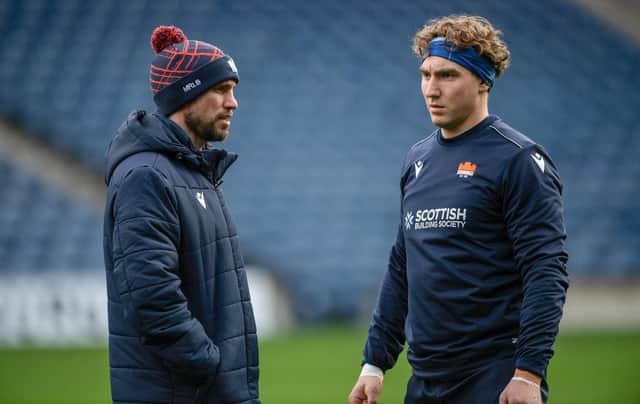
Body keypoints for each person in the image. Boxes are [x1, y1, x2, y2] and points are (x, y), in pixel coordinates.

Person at [348, 15, 569, 404]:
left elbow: (545, 269)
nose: (431, 89)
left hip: (493, 377)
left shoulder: (518, 159)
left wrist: (529, 373)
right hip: (426, 378)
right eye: (426, 74)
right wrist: (374, 364)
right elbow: (403, 265)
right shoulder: (417, 159)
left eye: (447, 75)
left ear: (483, 81)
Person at [103, 26, 259, 404]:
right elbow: (151, 297)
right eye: (221, 90)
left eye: (233, 90)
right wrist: (209, 364)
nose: (233, 102)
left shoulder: (193, 172)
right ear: (185, 95)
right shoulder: (147, 176)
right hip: (183, 392)